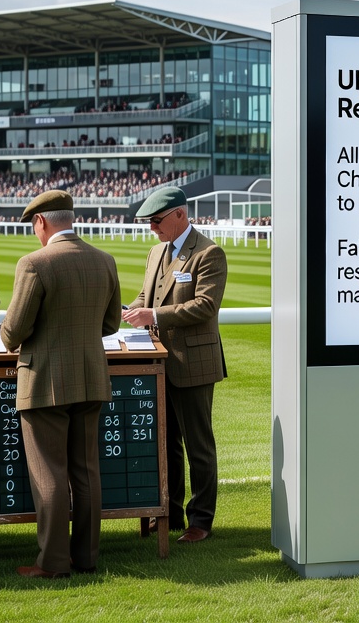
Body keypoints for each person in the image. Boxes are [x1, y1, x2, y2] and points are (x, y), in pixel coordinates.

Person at [0, 191, 122, 578]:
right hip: (90, 376)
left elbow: (13, 331)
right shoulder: (105, 260)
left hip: (44, 380)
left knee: (48, 473)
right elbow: (111, 325)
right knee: (86, 472)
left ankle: (51, 563)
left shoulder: (34, 263)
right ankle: (86, 558)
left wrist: (8, 333)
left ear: (41, 223)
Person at [122, 188, 227, 543]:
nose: (152, 228)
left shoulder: (209, 253)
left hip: (193, 362)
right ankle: (168, 513)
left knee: (198, 445)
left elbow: (204, 306)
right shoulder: (156, 252)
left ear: (180, 215)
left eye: (156, 220)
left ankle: (201, 521)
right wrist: (127, 311)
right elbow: (145, 296)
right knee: (164, 444)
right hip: (158, 363)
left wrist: (153, 314)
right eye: (149, 222)